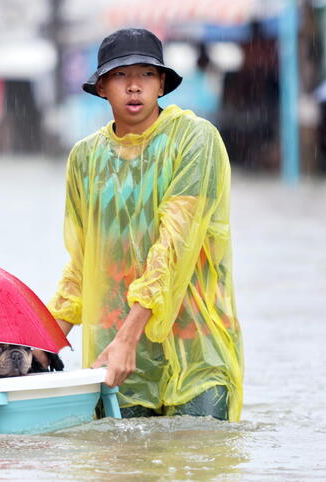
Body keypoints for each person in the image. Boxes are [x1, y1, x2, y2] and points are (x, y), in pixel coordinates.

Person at [47, 29, 244, 421]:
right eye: (121, 75)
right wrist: (42, 344)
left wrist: (128, 337)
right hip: (118, 355)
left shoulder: (195, 140)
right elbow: (84, 265)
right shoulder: (85, 158)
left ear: (162, 84)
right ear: (102, 86)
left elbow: (176, 244)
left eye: (147, 75)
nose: (134, 86)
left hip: (196, 346)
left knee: (197, 463)